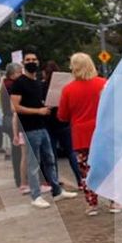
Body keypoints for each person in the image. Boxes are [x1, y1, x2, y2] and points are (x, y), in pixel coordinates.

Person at [11, 51, 74, 208]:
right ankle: (36, 195)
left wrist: (46, 106)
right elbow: (15, 107)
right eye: (28, 60)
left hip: (42, 126)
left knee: (50, 160)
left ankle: (57, 190)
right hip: (30, 128)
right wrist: (38, 111)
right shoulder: (19, 83)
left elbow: (37, 103)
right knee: (34, 164)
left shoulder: (38, 83)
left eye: (34, 59)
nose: (31, 62)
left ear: (38, 62)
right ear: (23, 63)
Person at [57, 53, 110, 215]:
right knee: (108, 168)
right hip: (103, 133)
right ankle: (114, 202)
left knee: (87, 171)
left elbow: (62, 116)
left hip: (81, 136)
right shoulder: (103, 84)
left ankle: (92, 204)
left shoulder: (68, 89)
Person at [43, 59, 82, 192]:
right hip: (64, 122)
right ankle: (80, 180)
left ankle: (55, 181)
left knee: (51, 154)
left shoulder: (43, 87)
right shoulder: (65, 86)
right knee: (71, 152)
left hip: (48, 123)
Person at [0, 62, 26, 191]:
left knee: (18, 151)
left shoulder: (5, 84)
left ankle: (20, 178)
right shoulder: (11, 86)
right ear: (12, 74)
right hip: (13, 120)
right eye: (19, 73)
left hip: (8, 119)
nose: (21, 75)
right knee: (19, 152)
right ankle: (20, 179)